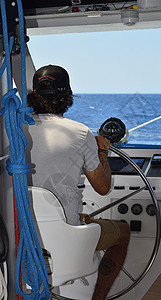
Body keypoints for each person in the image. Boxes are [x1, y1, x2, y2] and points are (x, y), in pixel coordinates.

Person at [24, 64, 130, 300]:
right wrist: (102, 151)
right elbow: (103, 189)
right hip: (67, 238)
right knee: (122, 232)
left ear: (32, 97)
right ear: (67, 98)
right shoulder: (80, 133)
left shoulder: (11, 130)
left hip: (22, 236)